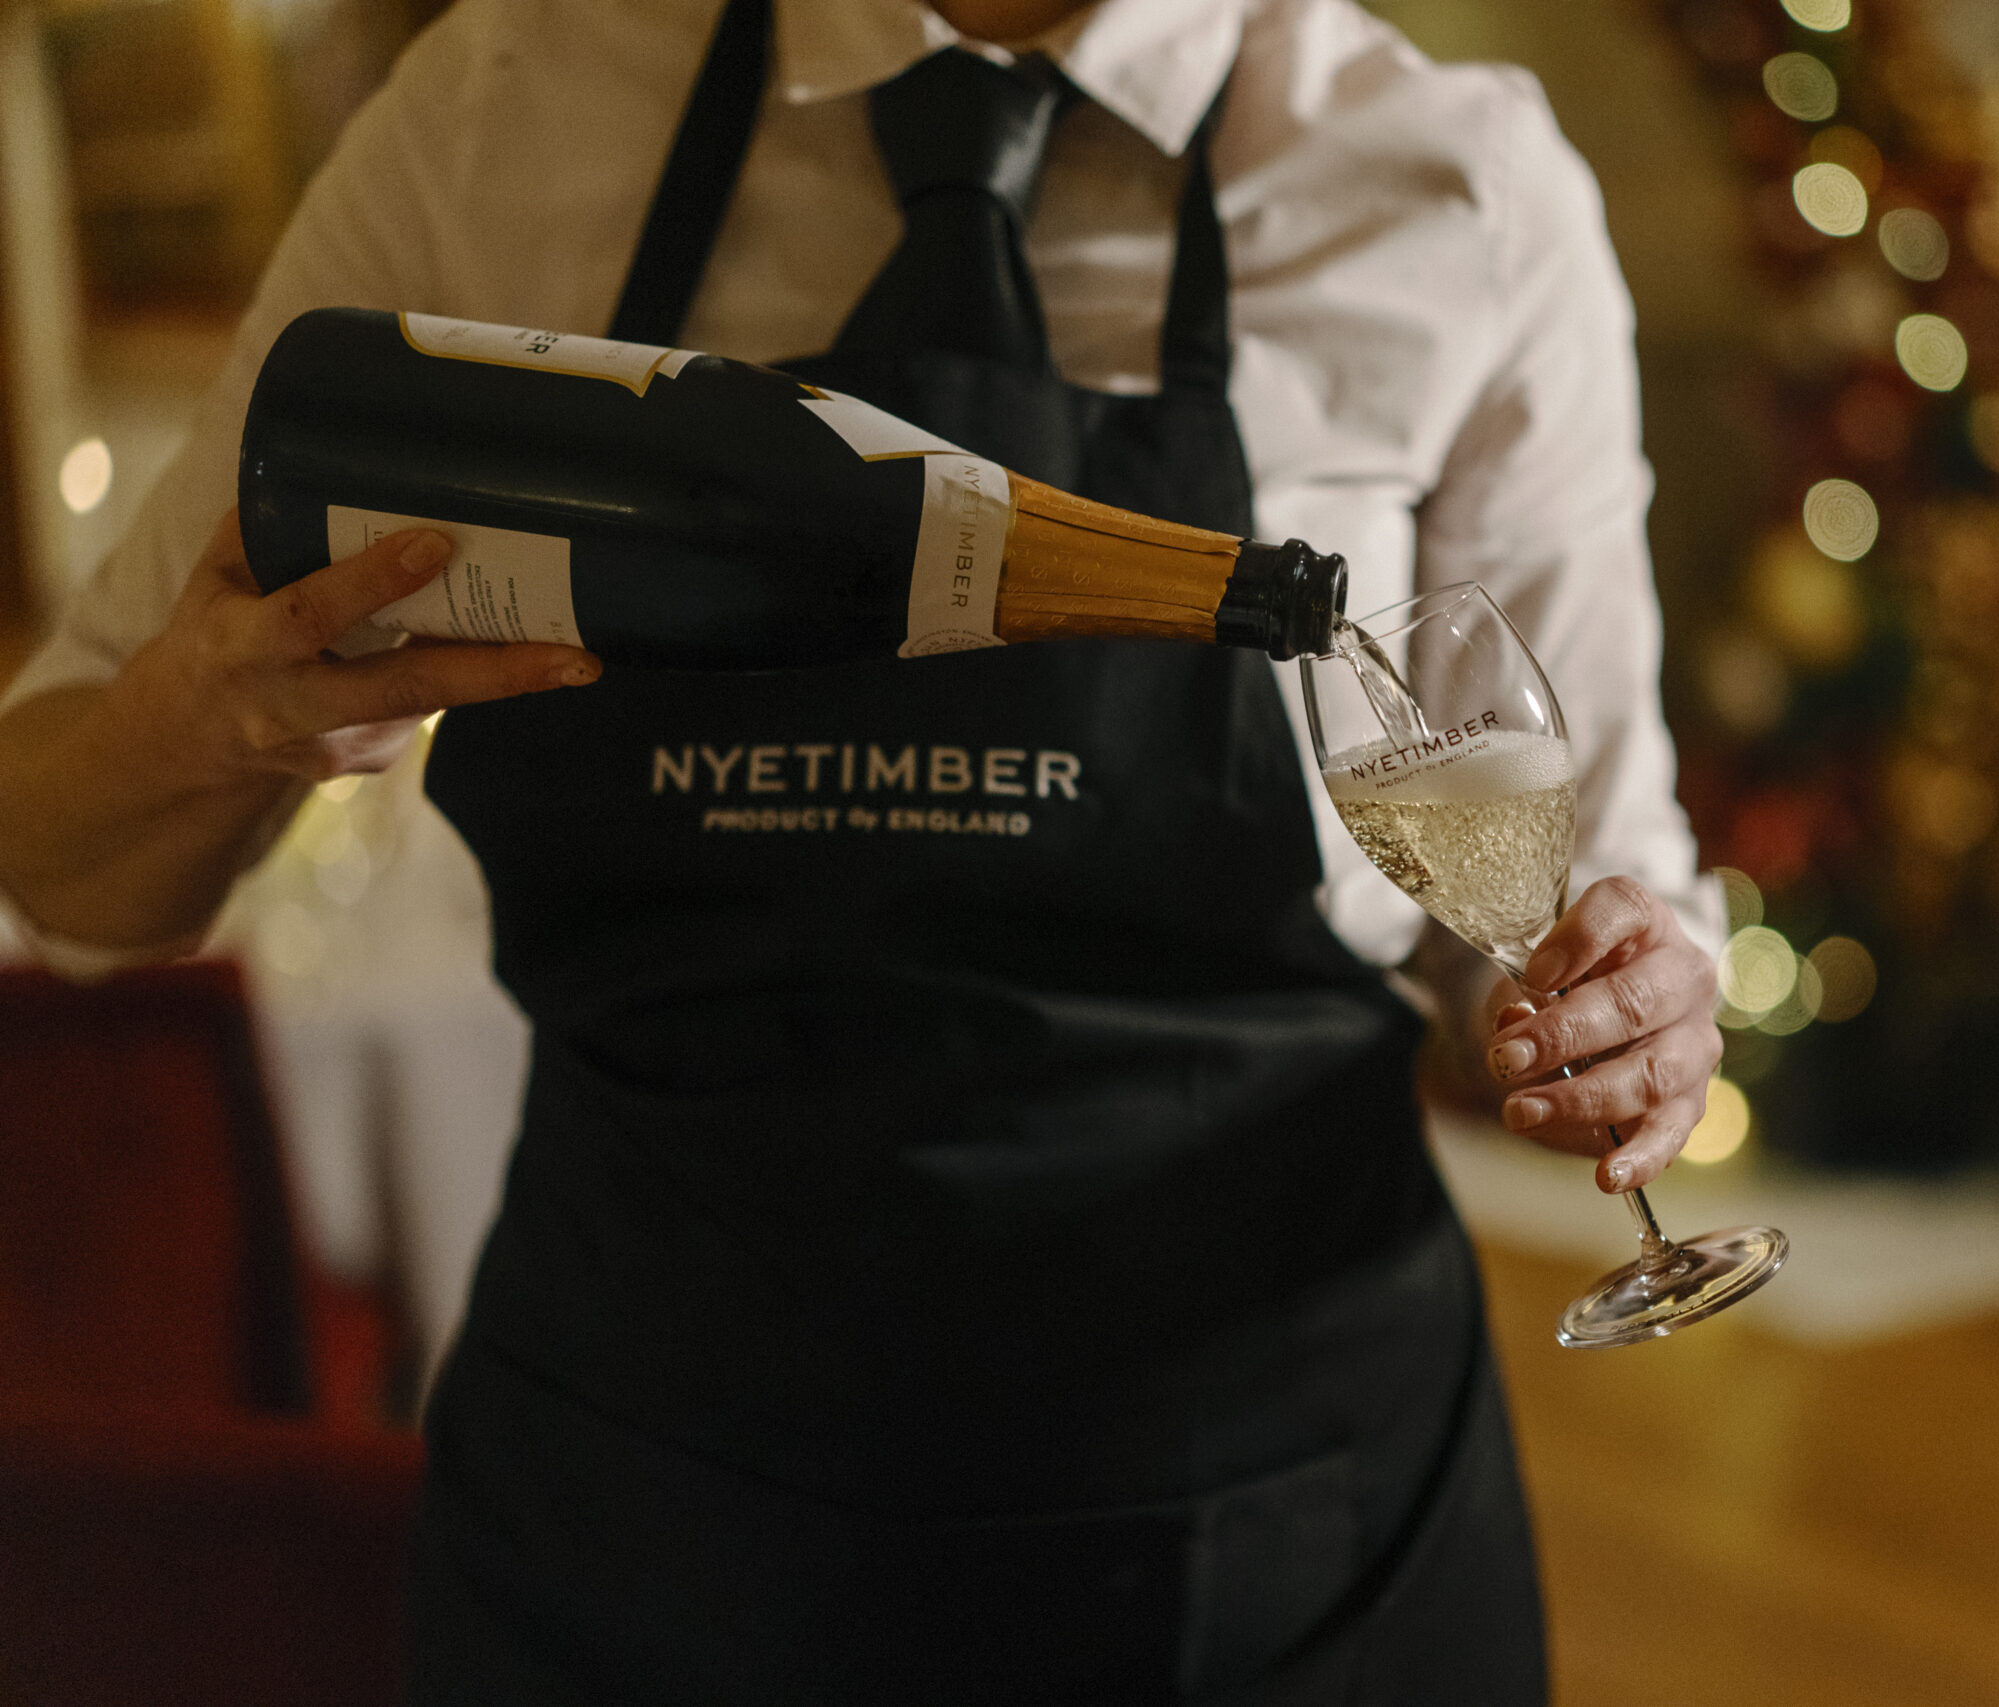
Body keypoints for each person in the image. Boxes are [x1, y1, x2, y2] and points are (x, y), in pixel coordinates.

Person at [0, 0, 1729, 1697]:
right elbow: (62, 868)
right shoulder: (509, 105)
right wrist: (203, 730)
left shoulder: (1456, 183)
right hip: (643, 1533)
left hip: (1275, 1532)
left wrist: (1628, 1001)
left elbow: (1581, 881)